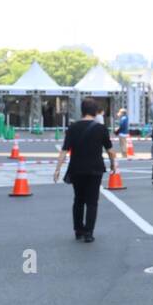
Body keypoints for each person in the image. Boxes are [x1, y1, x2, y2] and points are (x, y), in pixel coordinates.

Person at [53, 97, 118, 243]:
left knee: (78, 200)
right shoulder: (101, 128)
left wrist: (57, 169)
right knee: (92, 201)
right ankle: (89, 232)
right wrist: (113, 164)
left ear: (82, 111)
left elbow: (64, 150)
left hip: (76, 168)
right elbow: (110, 150)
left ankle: (78, 230)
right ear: (95, 112)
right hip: (95, 168)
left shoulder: (73, 128)